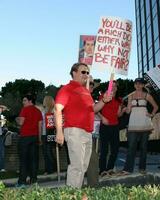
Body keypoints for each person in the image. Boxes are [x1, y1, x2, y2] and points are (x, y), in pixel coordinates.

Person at [54, 62, 112, 188]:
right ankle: (72, 194)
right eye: (83, 72)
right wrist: (59, 131)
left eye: (87, 72)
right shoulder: (67, 88)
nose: (86, 74)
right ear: (74, 73)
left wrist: (103, 101)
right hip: (74, 131)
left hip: (87, 132)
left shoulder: (85, 92)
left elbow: (94, 109)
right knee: (77, 166)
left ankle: (75, 191)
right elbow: (57, 109)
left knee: (83, 166)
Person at [120, 78, 158, 175]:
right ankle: (128, 169)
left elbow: (156, 106)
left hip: (145, 124)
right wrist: (124, 109)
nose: (138, 85)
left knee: (143, 147)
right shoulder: (130, 96)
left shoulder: (147, 95)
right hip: (133, 124)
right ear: (134, 85)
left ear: (142, 85)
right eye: (136, 83)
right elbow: (128, 111)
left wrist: (151, 114)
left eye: (140, 84)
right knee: (131, 146)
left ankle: (142, 168)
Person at [16, 94, 42, 187]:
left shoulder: (25, 110)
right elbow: (40, 126)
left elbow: (21, 122)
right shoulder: (38, 111)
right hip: (35, 137)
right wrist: (39, 139)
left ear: (30, 101)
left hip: (25, 138)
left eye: (24, 100)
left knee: (23, 160)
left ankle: (22, 182)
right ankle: (34, 181)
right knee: (34, 160)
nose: (23, 102)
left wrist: (17, 120)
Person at [98, 81, 124, 177]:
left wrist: (122, 109)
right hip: (105, 126)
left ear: (117, 88)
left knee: (115, 149)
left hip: (115, 126)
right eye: (111, 86)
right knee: (104, 150)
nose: (113, 88)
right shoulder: (103, 97)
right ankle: (102, 170)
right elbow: (96, 110)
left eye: (115, 86)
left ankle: (110, 168)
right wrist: (102, 118)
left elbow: (118, 115)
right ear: (108, 88)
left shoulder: (120, 99)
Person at [41, 96, 57, 175]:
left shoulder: (44, 112)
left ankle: (50, 169)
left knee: (47, 152)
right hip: (51, 133)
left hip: (47, 133)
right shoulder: (54, 111)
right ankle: (50, 168)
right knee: (48, 152)